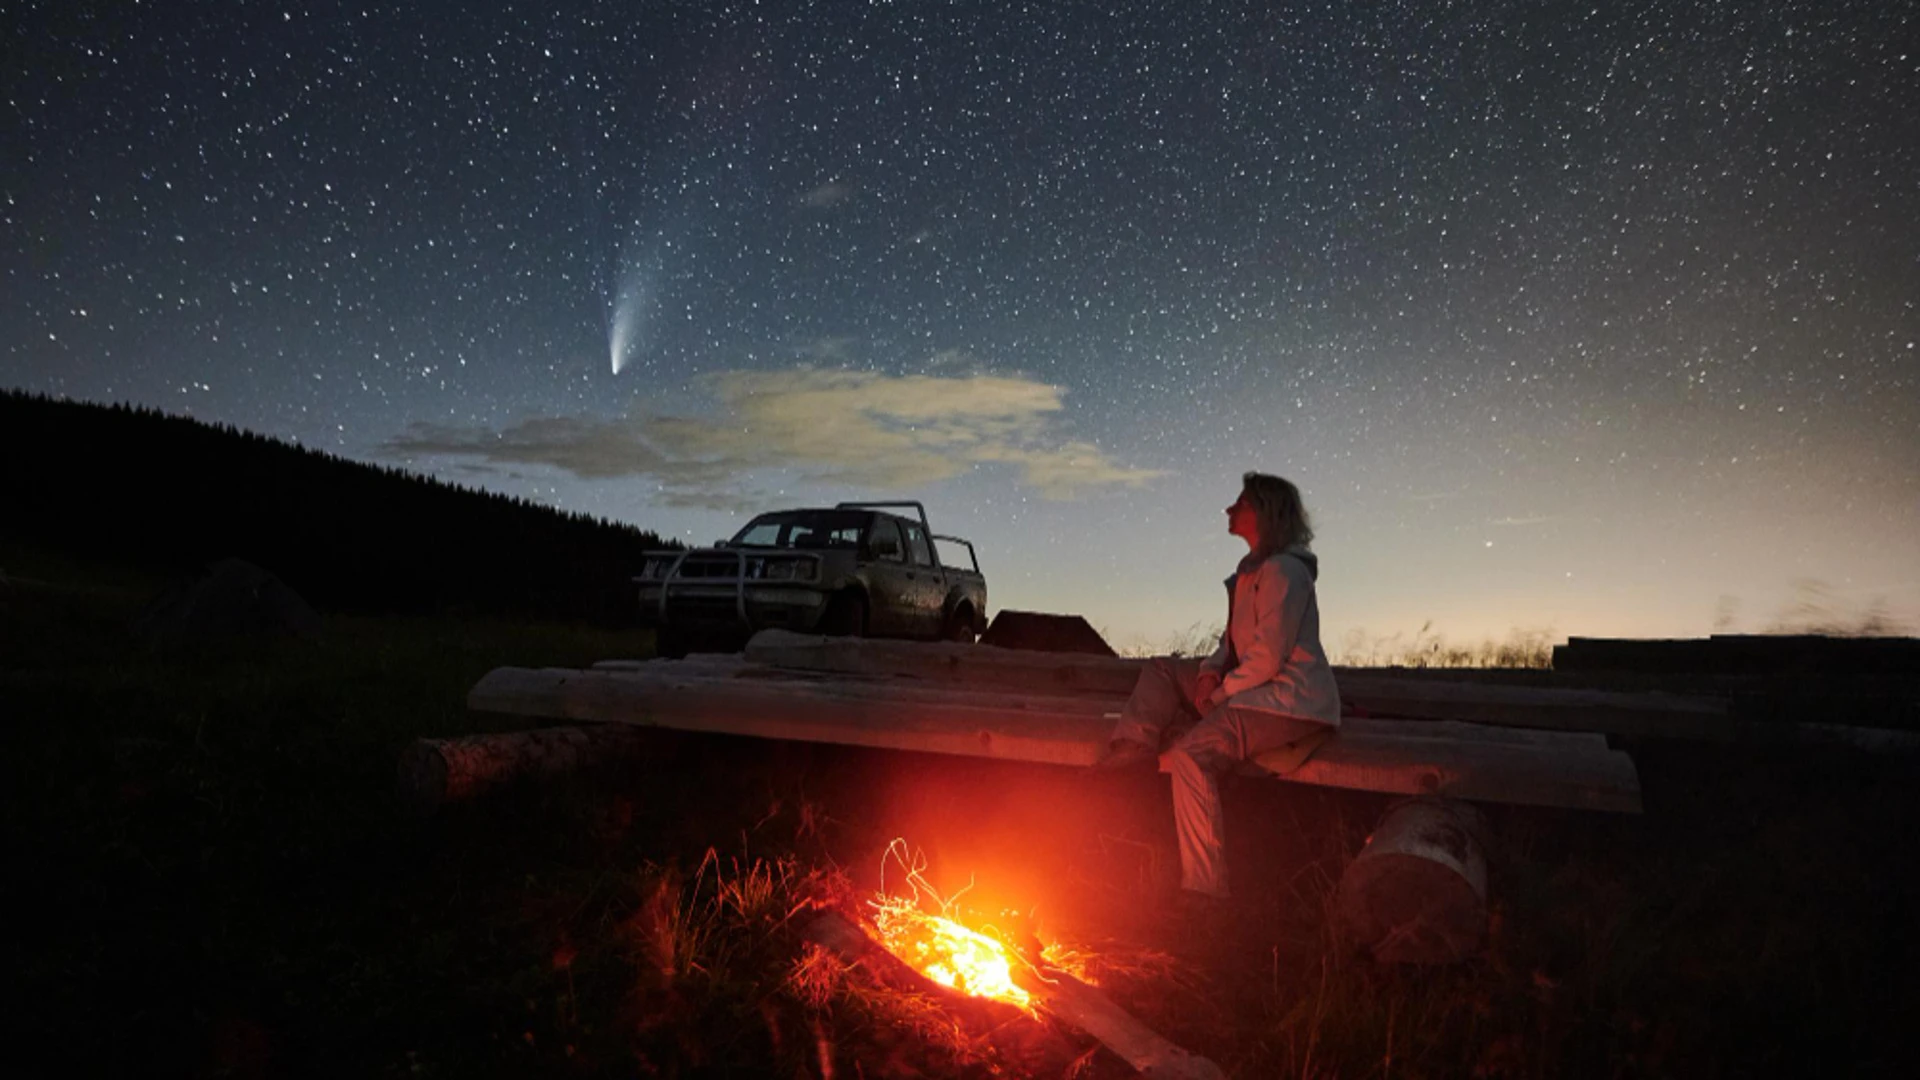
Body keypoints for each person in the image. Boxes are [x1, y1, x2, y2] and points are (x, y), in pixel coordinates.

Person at [1095, 472, 1342, 901]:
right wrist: (1211, 670)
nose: (1230, 510)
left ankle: (1205, 892)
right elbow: (1231, 642)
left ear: (1264, 513)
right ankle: (1132, 752)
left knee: (1191, 757)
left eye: (1240, 504)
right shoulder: (1251, 573)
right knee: (1163, 670)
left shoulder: (1285, 571)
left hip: (1287, 702)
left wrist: (1221, 695)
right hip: (1253, 686)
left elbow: (1269, 657)